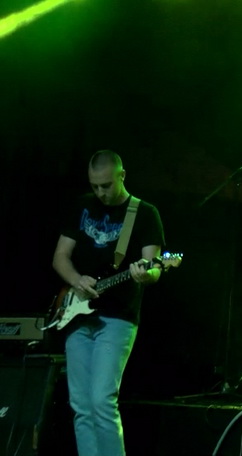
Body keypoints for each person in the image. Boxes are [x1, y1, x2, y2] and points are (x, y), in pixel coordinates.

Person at [52, 150, 165, 456]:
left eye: (106, 185)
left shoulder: (144, 213)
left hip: (118, 317)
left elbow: (154, 267)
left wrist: (146, 274)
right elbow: (60, 257)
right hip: (76, 312)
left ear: (122, 176)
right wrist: (77, 280)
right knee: (80, 404)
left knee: (102, 400)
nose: (100, 192)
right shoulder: (82, 205)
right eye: (95, 186)